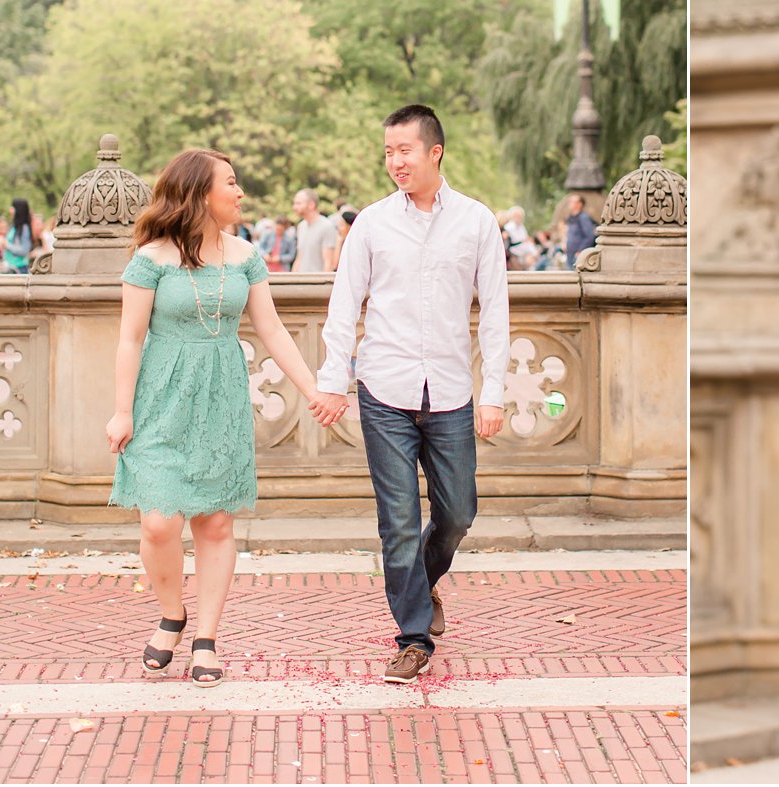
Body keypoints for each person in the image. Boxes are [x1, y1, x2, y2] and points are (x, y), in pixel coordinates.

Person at [106, 149, 326, 687]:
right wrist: (120, 411)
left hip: (220, 396)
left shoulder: (245, 255)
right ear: (200, 192)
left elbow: (272, 331)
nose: (240, 192)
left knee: (216, 521)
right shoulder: (151, 258)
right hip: (161, 399)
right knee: (159, 522)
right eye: (231, 183)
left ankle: (205, 637)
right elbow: (130, 339)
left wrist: (313, 389)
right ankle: (171, 612)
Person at [311, 105, 509, 684]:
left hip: (449, 391)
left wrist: (493, 391)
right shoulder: (372, 224)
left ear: (434, 152)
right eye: (388, 152)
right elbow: (343, 306)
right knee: (397, 520)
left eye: (405, 150)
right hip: (384, 389)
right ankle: (414, 635)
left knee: (458, 514)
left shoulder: (476, 222)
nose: (395, 161)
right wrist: (332, 381)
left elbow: (494, 312)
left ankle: (421, 585)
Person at [292, 189, 338, 272]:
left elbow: (328, 263)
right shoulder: (301, 226)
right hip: (301, 282)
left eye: (298, 203)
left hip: (317, 283)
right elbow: (299, 258)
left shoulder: (327, 226)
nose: (294, 207)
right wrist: (290, 282)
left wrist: (323, 284)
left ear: (311, 205)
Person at [564, 193, 597, 269]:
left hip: (577, 256)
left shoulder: (583, 217)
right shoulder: (571, 218)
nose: (570, 204)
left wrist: (580, 251)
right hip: (570, 254)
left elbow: (590, 236)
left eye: (572, 202)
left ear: (579, 204)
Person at [4, 199, 34, 274]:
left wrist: (6, 245)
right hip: (10, 267)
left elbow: (24, 250)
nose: (10, 210)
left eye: (12, 208)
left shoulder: (24, 228)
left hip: (19, 268)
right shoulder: (14, 226)